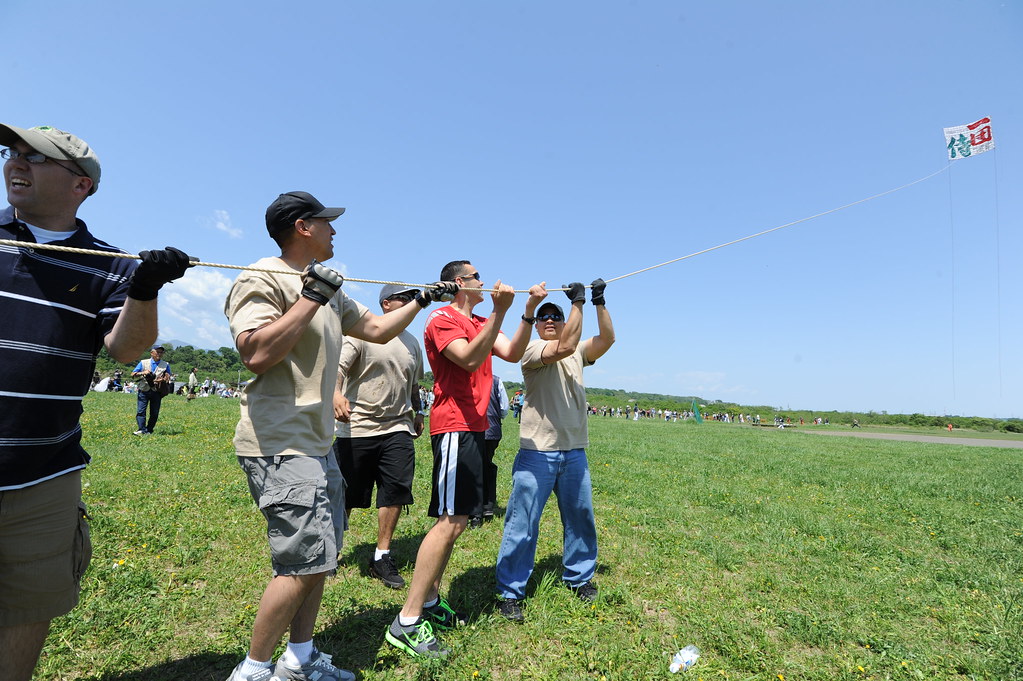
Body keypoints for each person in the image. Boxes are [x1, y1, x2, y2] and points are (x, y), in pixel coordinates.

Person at [223, 191, 455, 681]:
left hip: (318, 441)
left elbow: (376, 328)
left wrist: (420, 298)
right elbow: (256, 354)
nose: (335, 232)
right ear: (303, 226)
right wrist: (310, 298)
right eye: (328, 224)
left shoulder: (328, 287)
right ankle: (253, 670)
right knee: (302, 563)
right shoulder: (263, 276)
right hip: (279, 441)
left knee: (320, 558)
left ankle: (299, 658)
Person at [0, 122, 191, 681]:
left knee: (29, 607)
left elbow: (126, 350)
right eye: (13, 152)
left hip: (44, 476)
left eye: (37, 158)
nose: (17, 162)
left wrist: (145, 287)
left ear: (81, 184)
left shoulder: (109, 264)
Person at [384, 260, 545, 658]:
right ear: (459, 283)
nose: (484, 282)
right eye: (477, 277)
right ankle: (406, 620)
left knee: (456, 524)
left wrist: (525, 312)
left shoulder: (478, 322)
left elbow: (510, 351)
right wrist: (501, 310)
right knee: (450, 522)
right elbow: (470, 359)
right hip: (454, 425)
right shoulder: (441, 318)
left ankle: (432, 598)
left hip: (475, 428)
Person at [495, 279, 616, 622]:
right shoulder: (533, 350)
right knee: (523, 524)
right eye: (543, 316)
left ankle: (579, 577)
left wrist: (598, 301)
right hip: (537, 453)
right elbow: (562, 348)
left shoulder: (579, 351)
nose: (549, 319)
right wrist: (576, 304)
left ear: (564, 322)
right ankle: (510, 592)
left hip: (574, 450)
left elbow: (607, 339)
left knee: (580, 519)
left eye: (556, 315)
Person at [332, 283, 427, 590]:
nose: (412, 302)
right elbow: (339, 368)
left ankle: (381, 556)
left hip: (397, 427)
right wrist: (335, 393)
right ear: (386, 304)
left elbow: (414, 385)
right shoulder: (363, 332)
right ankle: (330, 552)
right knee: (345, 494)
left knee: (395, 490)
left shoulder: (412, 343)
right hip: (357, 427)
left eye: (415, 298)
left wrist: (419, 411)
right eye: (406, 298)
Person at [469, 374, 509, 528]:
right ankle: (488, 505)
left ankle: (476, 511)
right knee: (486, 464)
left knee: (474, 468)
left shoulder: (466, 375)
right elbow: (504, 408)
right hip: (492, 429)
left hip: (471, 427)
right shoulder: (497, 380)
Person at [131, 345, 172, 434]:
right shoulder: (143, 362)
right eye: (158, 352)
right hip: (143, 389)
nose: (159, 354)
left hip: (157, 391)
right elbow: (133, 374)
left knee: (154, 412)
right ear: (152, 353)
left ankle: (149, 430)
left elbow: (168, 376)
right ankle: (141, 429)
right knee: (141, 411)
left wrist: (164, 379)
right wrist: (143, 372)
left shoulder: (166, 365)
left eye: (161, 352)